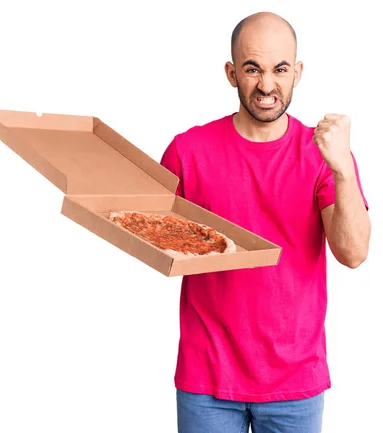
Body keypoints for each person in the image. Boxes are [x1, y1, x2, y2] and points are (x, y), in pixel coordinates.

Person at [159, 11, 371, 433]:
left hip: (296, 382)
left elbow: (353, 253)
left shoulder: (323, 155)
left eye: (280, 69)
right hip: (207, 380)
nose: (267, 85)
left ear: (298, 73)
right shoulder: (188, 150)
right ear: (231, 73)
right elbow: (149, 236)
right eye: (253, 69)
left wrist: (343, 169)